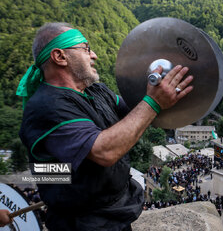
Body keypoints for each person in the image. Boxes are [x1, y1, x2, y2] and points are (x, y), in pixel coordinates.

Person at [17, 23, 193, 231]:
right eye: (86, 48)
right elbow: (104, 152)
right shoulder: (47, 107)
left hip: (114, 216)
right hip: (81, 224)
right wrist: (153, 102)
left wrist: (162, 85)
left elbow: (135, 111)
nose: (94, 55)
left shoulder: (95, 91)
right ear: (60, 57)